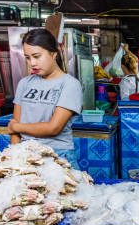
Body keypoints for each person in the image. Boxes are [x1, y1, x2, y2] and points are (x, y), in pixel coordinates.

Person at [8, 28, 83, 169]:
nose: (32, 63)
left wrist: (17, 127)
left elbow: (53, 127)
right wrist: (14, 156)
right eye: (28, 57)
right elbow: (15, 131)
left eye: (37, 56)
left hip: (57, 155)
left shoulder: (69, 84)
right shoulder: (24, 83)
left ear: (53, 54)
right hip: (25, 154)